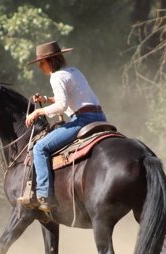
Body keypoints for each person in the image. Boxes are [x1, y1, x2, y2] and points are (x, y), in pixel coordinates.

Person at [18, 41, 107, 214]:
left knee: (39, 148)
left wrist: (38, 112)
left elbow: (62, 105)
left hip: (82, 120)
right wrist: (46, 98)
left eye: (41, 63)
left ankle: (44, 195)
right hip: (100, 117)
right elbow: (72, 96)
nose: (40, 67)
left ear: (49, 61)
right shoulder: (74, 72)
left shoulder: (56, 76)